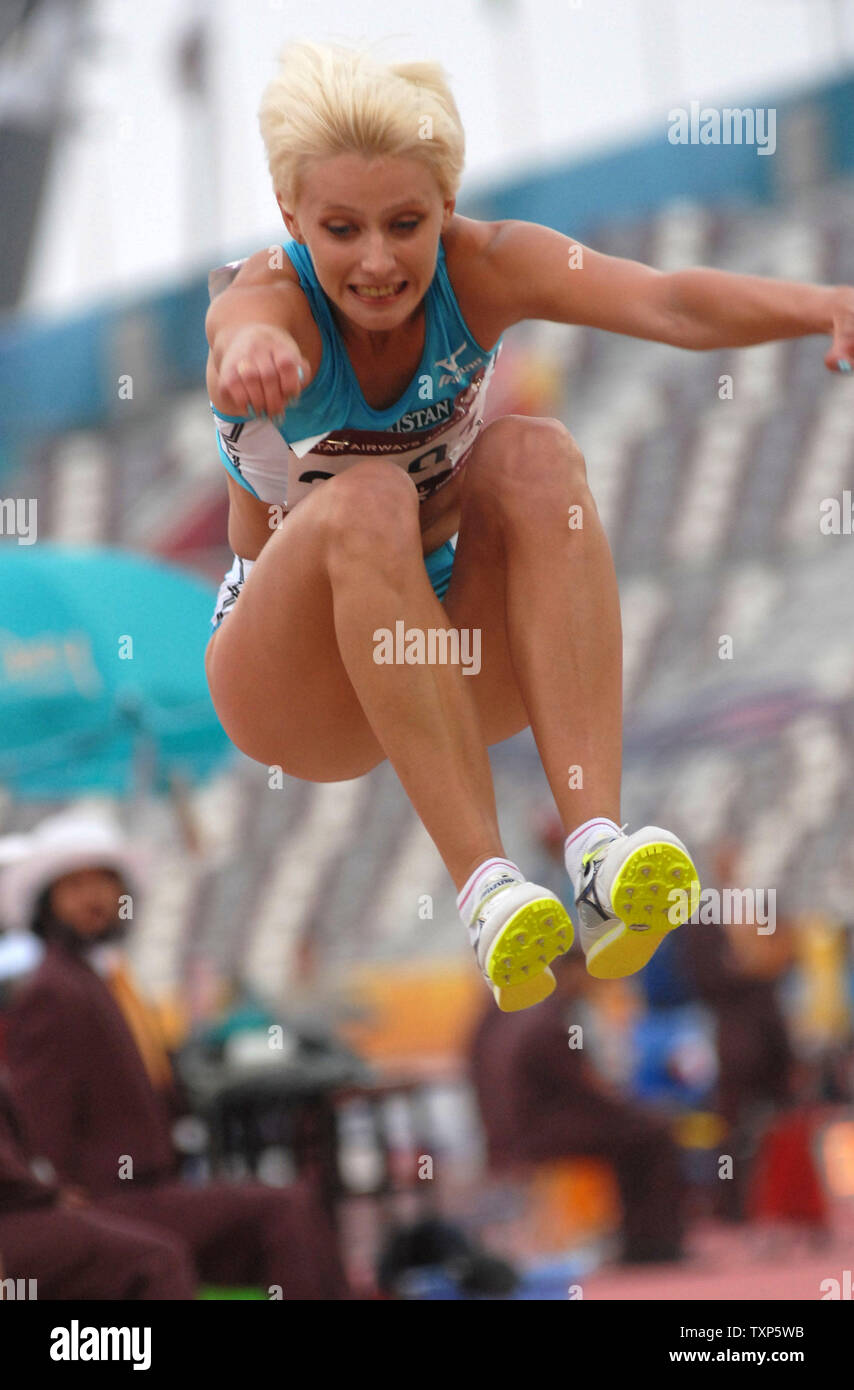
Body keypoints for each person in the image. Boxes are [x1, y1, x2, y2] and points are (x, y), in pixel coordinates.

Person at [203, 41, 854, 1012]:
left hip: (446, 649)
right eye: (340, 230)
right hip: (296, 685)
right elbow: (237, 327)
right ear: (293, 216)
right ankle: (486, 890)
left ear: (449, 207)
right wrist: (252, 349)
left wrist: (825, 305)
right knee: (371, 495)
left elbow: (666, 301)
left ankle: (595, 852)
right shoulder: (267, 298)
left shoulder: (489, 267)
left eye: (406, 224)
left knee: (532, 449)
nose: (377, 262)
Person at [0, 810, 350, 1300]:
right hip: (111, 1196)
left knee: (292, 1208)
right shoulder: (53, 990)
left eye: (104, 882)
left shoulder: (102, 979)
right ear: (46, 902)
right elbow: (40, 1115)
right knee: (283, 1210)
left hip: (148, 1188)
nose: (94, 898)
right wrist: (57, 1194)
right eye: (74, 886)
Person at [468, 951, 687, 1264]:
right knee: (655, 1133)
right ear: (570, 971)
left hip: (515, 1132)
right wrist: (636, 1111)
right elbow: (587, 1095)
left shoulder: (517, 1011)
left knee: (639, 1131)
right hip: (540, 1134)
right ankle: (654, 1244)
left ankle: (643, 1240)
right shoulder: (550, 1020)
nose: (592, 983)